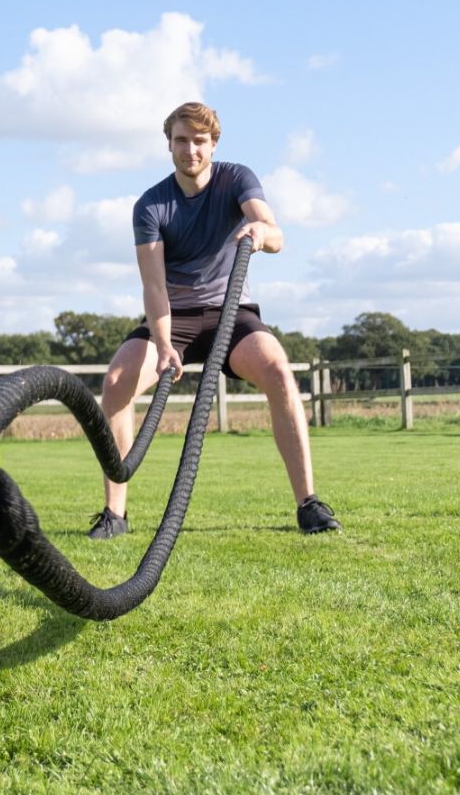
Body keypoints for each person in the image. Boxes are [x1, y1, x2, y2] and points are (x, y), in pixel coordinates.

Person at [88, 101, 342, 540]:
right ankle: (115, 514)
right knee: (115, 382)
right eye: (181, 140)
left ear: (214, 144)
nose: (190, 150)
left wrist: (260, 231)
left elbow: (274, 232)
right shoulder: (150, 206)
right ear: (169, 145)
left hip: (231, 313)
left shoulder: (236, 178)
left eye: (199, 141)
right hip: (175, 316)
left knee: (279, 370)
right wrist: (164, 346)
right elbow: (154, 288)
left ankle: (309, 503)